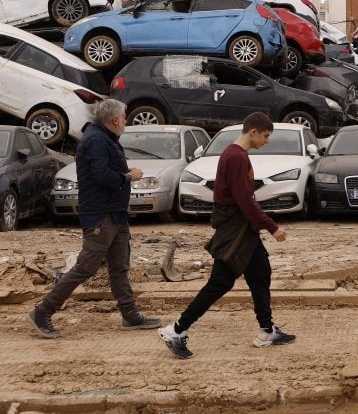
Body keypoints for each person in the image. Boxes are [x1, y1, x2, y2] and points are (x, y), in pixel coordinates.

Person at [159, 112, 294, 359]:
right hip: (235, 230)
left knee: (261, 273)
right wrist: (272, 227)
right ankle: (176, 330)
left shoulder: (234, 154)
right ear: (253, 132)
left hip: (242, 229)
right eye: (265, 136)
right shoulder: (237, 157)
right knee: (220, 283)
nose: (266, 141)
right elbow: (245, 200)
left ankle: (267, 330)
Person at [26, 99, 160, 338]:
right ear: (115, 119)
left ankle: (130, 315)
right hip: (101, 216)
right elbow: (101, 175)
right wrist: (128, 177)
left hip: (115, 215)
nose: (126, 121)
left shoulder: (106, 138)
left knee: (120, 267)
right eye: (125, 117)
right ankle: (42, 311)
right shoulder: (97, 140)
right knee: (85, 268)